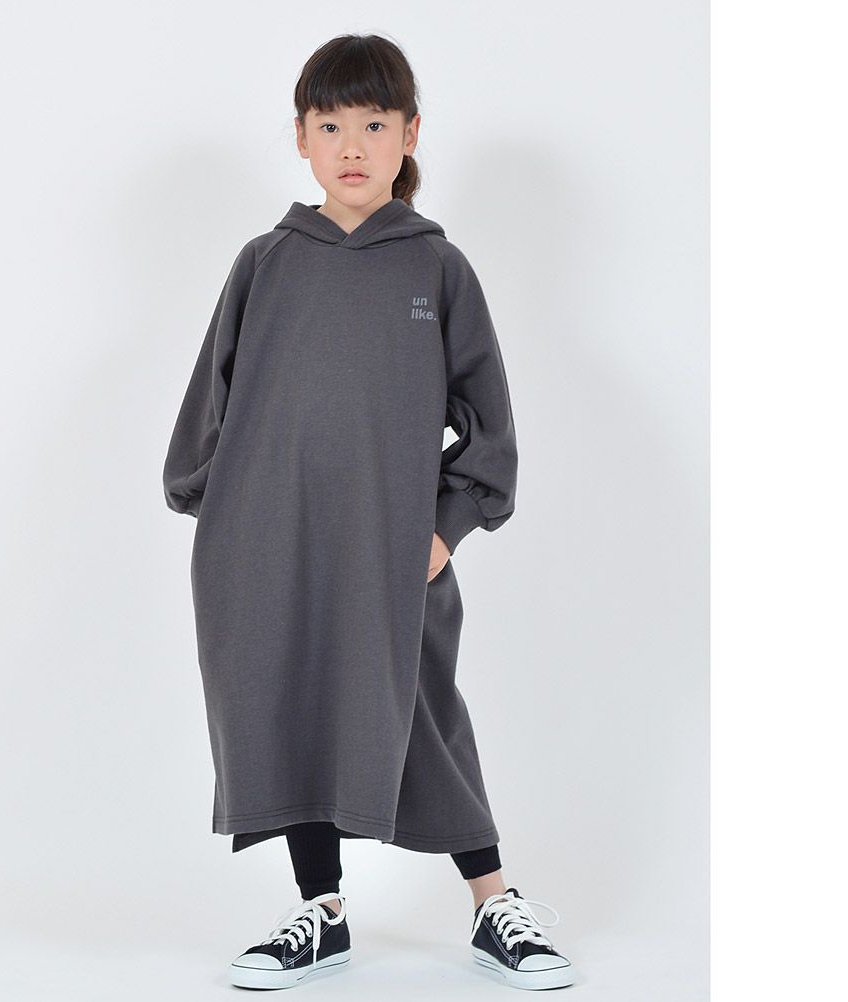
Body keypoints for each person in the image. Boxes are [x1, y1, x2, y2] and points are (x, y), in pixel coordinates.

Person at [162, 32, 575, 992]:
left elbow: (489, 426)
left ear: (410, 135)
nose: (352, 146)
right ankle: (323, 910)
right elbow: (209, 404)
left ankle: (493, 903)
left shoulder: (438, 270)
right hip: (266, 542)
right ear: (301, 138)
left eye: (375, 124)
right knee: (286, 703)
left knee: (421, 710)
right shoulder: (266, 263)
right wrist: (216, 516)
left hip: (391, 548)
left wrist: (443, 531)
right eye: (331, 125)